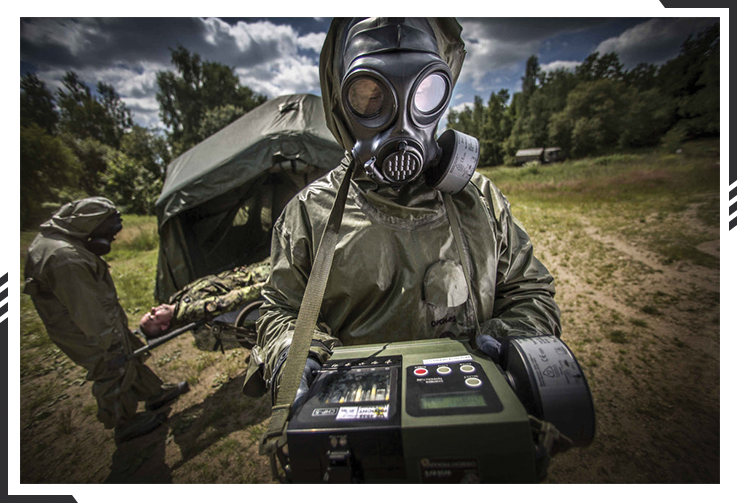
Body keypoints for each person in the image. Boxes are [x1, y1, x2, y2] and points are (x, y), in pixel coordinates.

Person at [247, 18, 561, 404]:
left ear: (443, 91)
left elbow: (528, 290)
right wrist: (295, 356)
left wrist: (511, 339)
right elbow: (281, 310)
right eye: (369, 95)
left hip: (479, 411)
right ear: (341, 104)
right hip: (360, 416)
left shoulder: (479, 200)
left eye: (424, 91)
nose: (402, 120)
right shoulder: (310, 215)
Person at [23, 197, 189, 444]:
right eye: (110, 232)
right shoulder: (65, 257)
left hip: (96, 319)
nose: (113, 239)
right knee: (111, 364)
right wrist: (109, 341)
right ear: (90, 225)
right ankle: (125, 423)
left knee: (129, 352)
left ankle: (153, 393)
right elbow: (88, 310)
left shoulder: (67, 242)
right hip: (85, 329)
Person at [138, 259, 269, 338]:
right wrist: (266, 284)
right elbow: (229, 300)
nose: (153, 309)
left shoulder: (176, 299)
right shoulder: (190, 311)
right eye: (153, 316)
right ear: (165, 325)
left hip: (248, 273)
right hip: (259, 279)